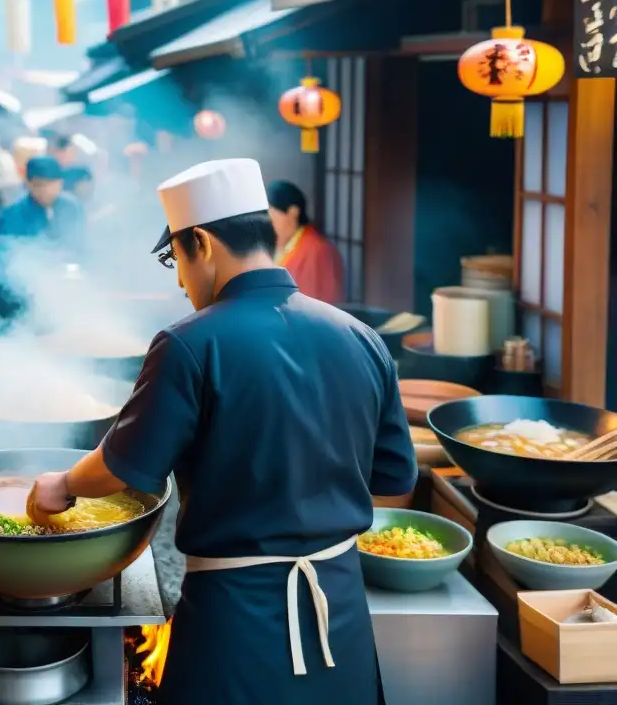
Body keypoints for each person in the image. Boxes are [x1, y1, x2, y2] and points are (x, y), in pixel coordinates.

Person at [27, 158, 416, 705]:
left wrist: (62, 485)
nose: (183, 283)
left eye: (176, 261)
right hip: (340, 612)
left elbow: (121, 466)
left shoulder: (190, 343)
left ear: (202, 244)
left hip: (235, 616)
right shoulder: (362, 338)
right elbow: (393, 477)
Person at [267, 181, 345, 305]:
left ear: (292, 212)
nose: (269, 226)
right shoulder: (277, 245)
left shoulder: (318, 250)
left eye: (272, 220)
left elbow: (323, 303)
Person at [0, 155, 84, 248]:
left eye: (51, 184)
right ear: (28, 184)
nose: (46, 191)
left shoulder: (72, 207)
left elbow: (82, 243)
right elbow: (4, 252)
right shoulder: (11, 214)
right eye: (39, 185)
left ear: (61, 183)